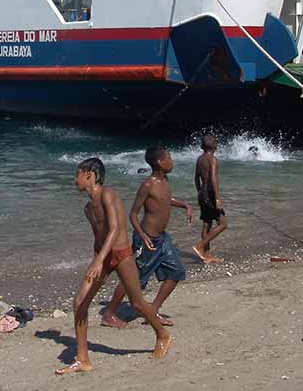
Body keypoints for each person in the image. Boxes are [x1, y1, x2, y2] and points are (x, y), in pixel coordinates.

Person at [56, 157, 171, 375]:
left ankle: (162, 334)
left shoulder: (107, 193)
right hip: (103, 256)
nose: (74, 180)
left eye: (77, 175)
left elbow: (115, 228)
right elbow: (98, 236)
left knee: (137, 304)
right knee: (79, 301)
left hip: (121, 254)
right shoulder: (87, 208)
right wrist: (97, 259)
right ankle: (83, 359)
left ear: (89, 174)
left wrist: (100, 262)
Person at [101, 146, 192, 328]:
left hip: (162, 239)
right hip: (148, 239)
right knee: (133, 279)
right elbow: (133, 214)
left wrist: (185, 205)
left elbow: (166, 199)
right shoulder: (148, 185)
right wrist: (142, 236)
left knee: (176, 273)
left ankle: (153, 310)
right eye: (169, 158)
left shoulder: (164, 181)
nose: (172, 161)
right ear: (160, 162)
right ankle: (109, 313)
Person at [192, 135, 227, 264]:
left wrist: (199, 192)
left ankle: (206, 255)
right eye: (216, 142)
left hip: (202, 192)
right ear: (214, 146)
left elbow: (196, 178)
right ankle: (200, 246)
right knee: (223, 224)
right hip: (210, 193)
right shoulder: (213, 159)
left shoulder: (199, 159)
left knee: (207, 223)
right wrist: (217, 198)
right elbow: (213, 178)